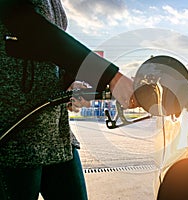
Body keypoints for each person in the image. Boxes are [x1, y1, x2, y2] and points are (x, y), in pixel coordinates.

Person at [0, 0, 136, 199]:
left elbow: (48, 53)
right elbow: (27, 25)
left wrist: (70, 83)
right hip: (14, 133)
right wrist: (107, 75)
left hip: (57, 136)